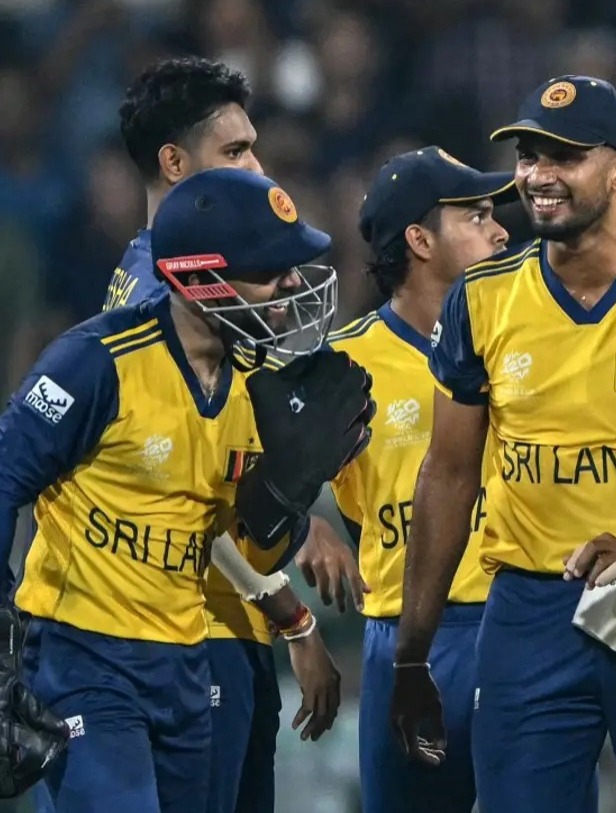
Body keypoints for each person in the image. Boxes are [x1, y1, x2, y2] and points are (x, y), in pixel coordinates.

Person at [389, 75, 616, 813]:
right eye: (529, 156)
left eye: (565, 156)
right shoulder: (482, 297)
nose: (539, 175)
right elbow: (449, 474)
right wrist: (411, 649)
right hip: (529, 611)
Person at [0, 167, 373, 813]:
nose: (292, 283)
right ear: (199, 280)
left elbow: (243, 544)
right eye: (270, 269)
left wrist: (287, 495)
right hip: (82, 657)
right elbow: (6, 475)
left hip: (184, 663)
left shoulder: (258, 385)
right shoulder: (98, 362)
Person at [109, 57, 357, 813]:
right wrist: (296, 616)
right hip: (194, 630)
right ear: (174, 163)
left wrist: (295, 521)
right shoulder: (163, 299)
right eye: (236, 150)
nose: (256, 167)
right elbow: (182, 497)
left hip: (222, 623)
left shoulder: (172, 275)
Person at [331, 146, 511, 813]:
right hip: (403, 636)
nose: (501, 232)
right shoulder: (342, 367)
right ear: (420, 240)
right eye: (478, 217)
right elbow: (251, 490)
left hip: (515, 619)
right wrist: (306, 530)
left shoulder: (528, 342)